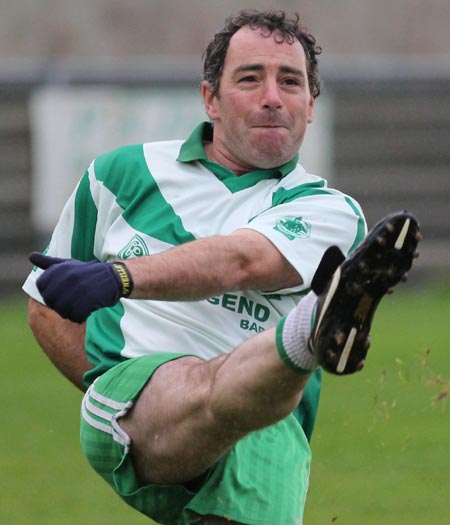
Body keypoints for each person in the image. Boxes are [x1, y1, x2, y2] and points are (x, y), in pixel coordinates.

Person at [23, 10, 420, 525]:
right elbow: (44, 307)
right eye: (250, 78)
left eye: (290, 82)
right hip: (137, 402)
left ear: (310, 105)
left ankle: (301, 338)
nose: (272, 97)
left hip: (267, 428)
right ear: (211, 98)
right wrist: (123, 400)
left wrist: (121, 276)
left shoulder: (329, 209)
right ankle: (307, 332)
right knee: (201, 385)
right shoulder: (119, 174)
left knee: (249, 402)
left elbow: (243, 261)